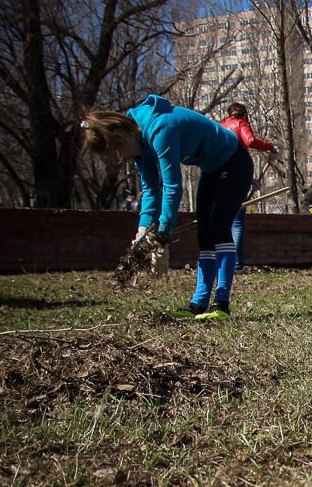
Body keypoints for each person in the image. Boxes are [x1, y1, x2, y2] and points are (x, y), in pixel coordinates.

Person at [80, 94, 252, 321]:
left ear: (120, 136)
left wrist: (163, 234)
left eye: (118, 153)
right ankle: (198, 303)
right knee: (204, 234)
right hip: (211, 169)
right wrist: (143, 230)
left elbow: (172, 187)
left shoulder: (161, 128)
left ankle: (221, 304)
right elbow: (150, 189)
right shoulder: (139, 142)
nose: (123, 158)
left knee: (218, 228)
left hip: (235, 162)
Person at [222, 102, 280, 272]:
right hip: (238, 172)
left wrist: (249, 179)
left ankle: (223, 263)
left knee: (224, 221)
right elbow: (250, 140)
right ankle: (237, 265)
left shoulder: (222, 126)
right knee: (237, 222)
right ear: (244, 114)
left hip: (221, 174)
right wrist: (270, 146)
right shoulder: (241, 124)